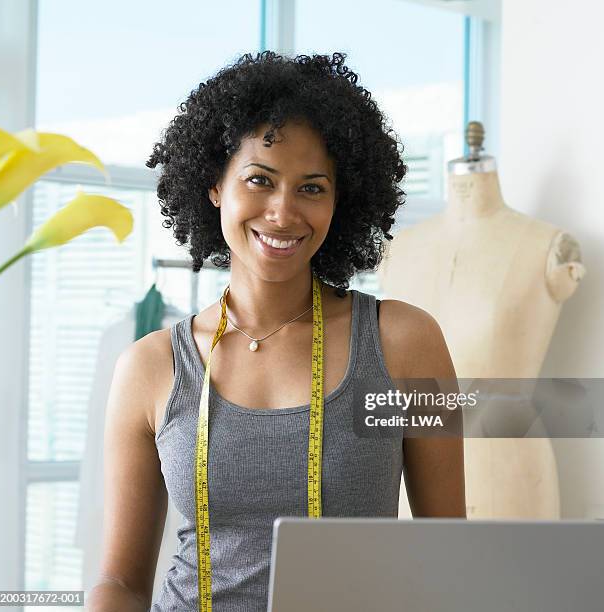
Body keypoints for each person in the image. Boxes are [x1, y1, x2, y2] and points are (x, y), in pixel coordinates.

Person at [86, 51, 466, 612]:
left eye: (312, 188)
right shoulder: (150, 367)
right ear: (215, 184)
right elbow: (120, 582)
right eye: (259, 179)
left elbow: (449, 553)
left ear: (342, 201)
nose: (284, 212)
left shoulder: (404, 343)